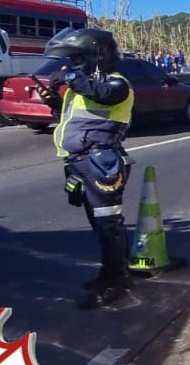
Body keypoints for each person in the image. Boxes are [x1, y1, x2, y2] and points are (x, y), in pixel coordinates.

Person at [39, 27, 137, 308]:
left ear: (99, 55)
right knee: (100, 225)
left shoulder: (117, 83)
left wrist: (71, 78)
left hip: (101, 162)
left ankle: (114, 282)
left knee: (108, 225)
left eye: (79, 59)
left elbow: (105, 95)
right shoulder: (83, 85)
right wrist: (54, 101)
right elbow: (76, 116)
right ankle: (115, 274)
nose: (73, 65)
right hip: (81, 162)